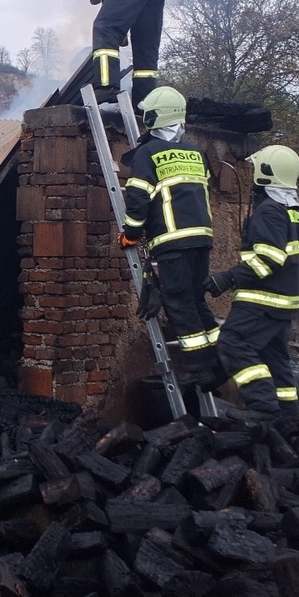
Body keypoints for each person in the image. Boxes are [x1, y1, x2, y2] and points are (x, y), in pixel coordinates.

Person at [117, 86, 222, 390]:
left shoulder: (148, 153)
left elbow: (138, 200)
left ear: (155, 116)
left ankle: (197, 368)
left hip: (172, 241)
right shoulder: (196, 153)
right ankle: (218, 361)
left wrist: (131, 235)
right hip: (202, 239)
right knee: (195, 299)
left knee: (178, 302)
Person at [205, 145, 299, 425]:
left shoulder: (270, 211)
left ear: (266, 173)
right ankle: (288, 416)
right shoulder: (291, 211)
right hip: (282, 303)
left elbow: (269, 259)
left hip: (263, 300)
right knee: (275, 359)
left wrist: (228, 278)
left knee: (232, 343)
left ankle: (262, 406)